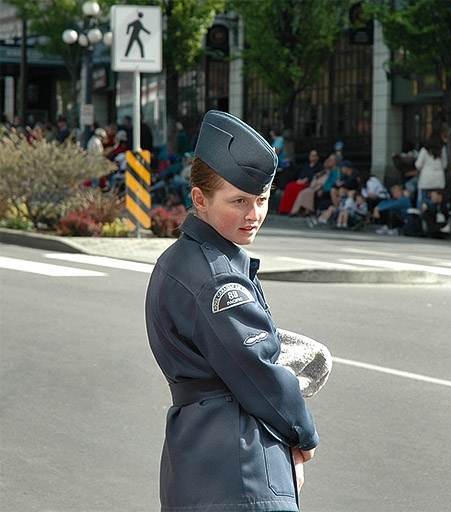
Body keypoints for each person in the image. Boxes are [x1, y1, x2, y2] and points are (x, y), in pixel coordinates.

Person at [145, 110, 318, 512]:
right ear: (199, 199)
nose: (253, 215)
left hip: (196, 454)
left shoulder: (180, 259)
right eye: (238, 201)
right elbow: (258, 374)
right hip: (242, 464)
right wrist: (303, 436)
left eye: (261, 199)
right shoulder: (218, 278)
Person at [277, 149, 322, 215]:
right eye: (311, 155)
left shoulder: (319, 167)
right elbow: (301, 174)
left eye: (314, 155)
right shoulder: (306, 166)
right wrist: (300, 179)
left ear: (317, 157)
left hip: (308, 183)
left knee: (297, 189)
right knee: (289, 186)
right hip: (301, 181)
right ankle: (285, 209)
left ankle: (294, 209)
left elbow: (316, 177)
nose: (312, 157)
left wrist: (306, 180)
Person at [415, 132, 447, 206]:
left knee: (423, 200)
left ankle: (423, 214)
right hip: (438, 179)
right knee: (437, 200)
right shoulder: (442, 150)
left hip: (426, 179)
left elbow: (418, 165)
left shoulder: (424, 150)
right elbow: (444, 165)